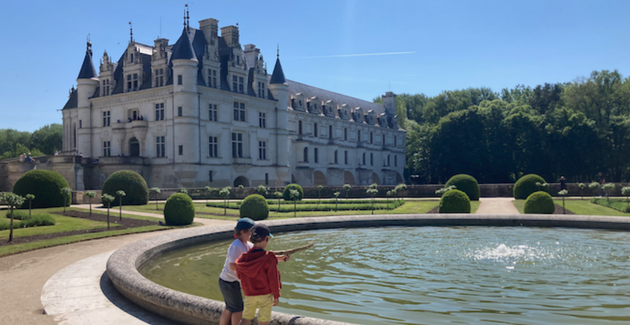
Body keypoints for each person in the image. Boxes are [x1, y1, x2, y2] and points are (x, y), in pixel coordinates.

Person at [236, 224, 289, 325]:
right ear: (266, 238)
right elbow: (273, 279)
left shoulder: (243, 258)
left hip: (249, 294)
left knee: (246, 319)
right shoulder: (269, 257)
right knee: (263, 321)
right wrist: (276, 296)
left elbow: (239, 275)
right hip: (265, 294)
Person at [218, 218, 255, 325]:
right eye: (251, 232)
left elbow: (261, 255)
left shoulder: (247, 244)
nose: (253, 235)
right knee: (238, 309)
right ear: (243, 232)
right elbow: (233, 266)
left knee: (230, 308)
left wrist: (280, 258)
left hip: (228, 281)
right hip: (229, 282)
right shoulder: (236, 246)